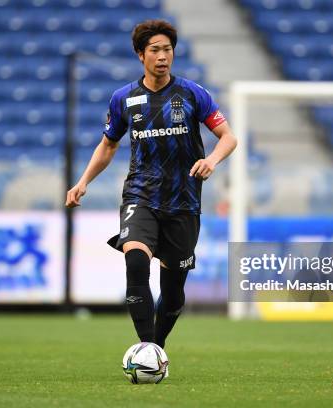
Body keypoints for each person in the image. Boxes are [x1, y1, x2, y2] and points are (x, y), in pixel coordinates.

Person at [66, 19, 237, 349]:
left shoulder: (192, 93)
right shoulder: (124, 99)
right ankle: (146, 349)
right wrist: (83, 180)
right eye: (155, 50)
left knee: (173, 293)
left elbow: (228, 137)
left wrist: (211, 160)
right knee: (135, 262)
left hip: (184, 201)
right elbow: (108, 144)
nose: (163, 56)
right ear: (140, 55)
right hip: (140, 195)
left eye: (168, 50)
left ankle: (157, 347)